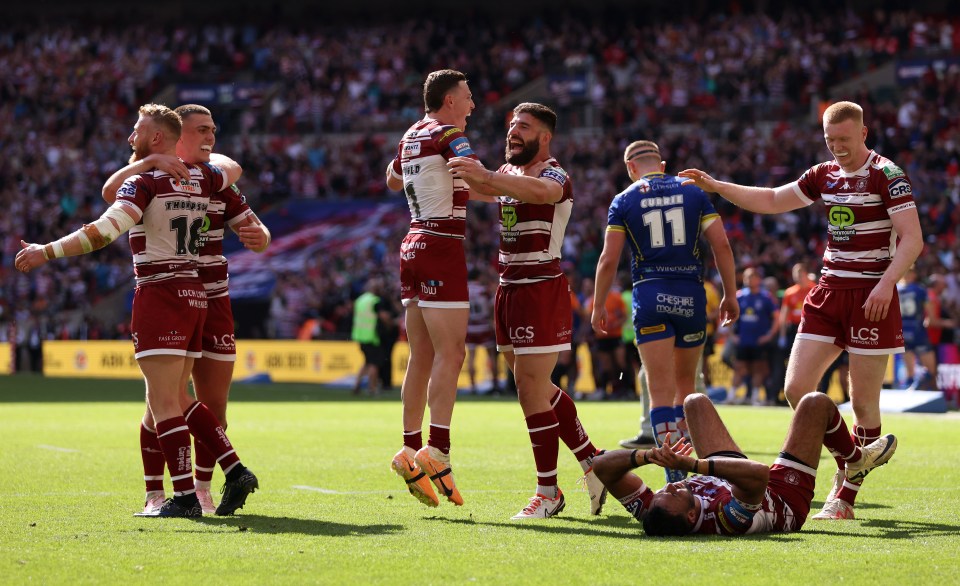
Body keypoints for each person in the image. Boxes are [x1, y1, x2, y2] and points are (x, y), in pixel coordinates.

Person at [679, 100, 923, 519]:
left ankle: (844, 496)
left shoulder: (888, 175)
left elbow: (912, 239)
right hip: (828, 291)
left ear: (863, 134)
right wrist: (719, 187)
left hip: (871, 296)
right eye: (830, 141)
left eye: (844, 140)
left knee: (863, 404)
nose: (837, 149)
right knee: (797, 389)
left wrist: (886, 284)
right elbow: (773, 199)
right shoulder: (823, 174)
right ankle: (855, 457)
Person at [17, 104, 258, 518]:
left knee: (164, 401)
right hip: (194, 293)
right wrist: (148, 163)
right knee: (177, 398)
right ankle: (224, 472)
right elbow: (227, 171)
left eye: (138, 130)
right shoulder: (202, 178)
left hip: (160, 292)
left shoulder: (146, 185)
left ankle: (187, 494)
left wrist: (46, 251)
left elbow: (100, 232)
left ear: (158, 138)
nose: (131, 137)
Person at [101, 103, 271, 515]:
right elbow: (110, 194)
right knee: (161, 401)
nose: (211, 136)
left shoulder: (215, 179)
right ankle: (158, 493)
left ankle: (202, 488)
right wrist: (153, 160)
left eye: (214, 129)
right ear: (180, 135)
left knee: (210, 405)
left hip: (214, 300)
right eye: (203, 129)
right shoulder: (155, 179)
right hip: (183, 292)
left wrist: (260, 235)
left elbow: (254, 220)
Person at [449, 102, 606, 519]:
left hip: (540, 288)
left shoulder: (553, 173)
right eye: (511, 126)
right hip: (509, 289)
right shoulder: (509, 175)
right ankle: (592, 460)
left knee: (529, 389)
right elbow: (478, 188)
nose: (513, 132)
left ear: (545, 137)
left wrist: (484, 176)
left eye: (524, 126)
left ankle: (549, 492)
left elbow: (545, 194)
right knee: (536, 385)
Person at [592, 140, 739, 485]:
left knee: (659, 391)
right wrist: (730, 294)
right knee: (686, 388)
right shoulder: (693, 192)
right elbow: (722, 244)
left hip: (650, 293)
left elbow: (608, 259)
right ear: (662, 163)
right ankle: (697, 474)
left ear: (630, 168)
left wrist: (598, 303)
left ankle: (675, 478)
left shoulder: (623, 199)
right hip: (690, 294)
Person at [592, 392, 898, 536]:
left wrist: (646, 456)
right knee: (815, 403)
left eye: (664, 489)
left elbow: (602, 467)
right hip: (780, 497)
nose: (670, 486)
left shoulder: (655, 511)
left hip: (726, 476)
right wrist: (694, 465)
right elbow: (758, 476)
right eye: (674, 493)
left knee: (694, 402)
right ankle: (856, 461)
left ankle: (856, 463)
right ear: (689, 515)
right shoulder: (726, 520)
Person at [384, 69, 476, 508]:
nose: (472, 104)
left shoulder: (409, 135)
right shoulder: (448, 133)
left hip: (412, 243)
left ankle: (408, 447)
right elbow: (471, 171)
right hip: (441, 244)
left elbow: (392, 178)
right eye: (468, 96)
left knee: (421, 354)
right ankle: (437, 448)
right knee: (452, 353)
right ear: (449, 101)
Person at [730, 267, 779, 406]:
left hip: (759, 341)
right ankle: (732, 396)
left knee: (759, 369)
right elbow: (730, 316)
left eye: (752, 276)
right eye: (746, 277)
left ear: (758, 279)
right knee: (739, 368)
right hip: (743, 340)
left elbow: (777, 317)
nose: (749, 279)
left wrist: (769, 335)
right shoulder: (739, 296)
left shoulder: (766, 297)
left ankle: (755, 397)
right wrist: (732, 335)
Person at [776, 263, 814, 403]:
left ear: (805, 273)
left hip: (810, 328)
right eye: (794, 274)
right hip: (793, 330)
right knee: (790, 362)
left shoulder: (814, 289)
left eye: (799, 274)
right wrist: (782, 335)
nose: (797, 277)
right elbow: (784, 315)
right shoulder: (790, 292)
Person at [897, 267, 937, 389]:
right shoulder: (920, 290)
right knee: (931, 370)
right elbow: (931, 318)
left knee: (909, 372)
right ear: (913, 273)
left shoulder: (895, 289)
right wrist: (929, 321)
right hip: (918, 330)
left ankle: (912, 388)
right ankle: (923, 388)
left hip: (901, 332)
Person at [466, 267, 499, 394]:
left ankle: (473, 386)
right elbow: (492, 304)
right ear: (478, 277)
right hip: (484, 325)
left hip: (470, 326)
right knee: (491, 356)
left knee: (471, 357)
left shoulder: (465, 290)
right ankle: (495, 385)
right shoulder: (484, 290)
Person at [351, 277, 385, 395]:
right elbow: (382, 316)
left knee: (366, 362)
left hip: (360, 335)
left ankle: (356, 384)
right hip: (371, 336)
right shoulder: (375, 300)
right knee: (374, 364)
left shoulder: (360, 300)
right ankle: (372, 388)